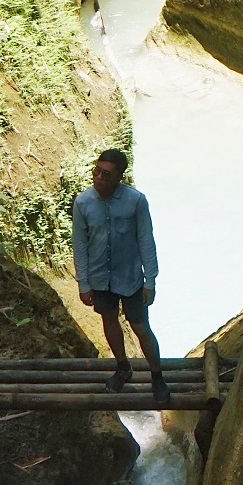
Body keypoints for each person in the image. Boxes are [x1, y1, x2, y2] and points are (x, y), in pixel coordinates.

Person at [72, 148, 171, 405]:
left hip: (130, 279)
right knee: (109, 320)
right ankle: (123, 367)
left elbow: (146, 240)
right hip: (99, 278)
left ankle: (157, 377)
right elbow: (80, 245)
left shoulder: (136, 201)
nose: (99, 177)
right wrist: (83, 283)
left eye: (106, 174)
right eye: (97, 171)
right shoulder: (83, 203)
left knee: (140, 327)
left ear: (119, 177)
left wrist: (151, 280)